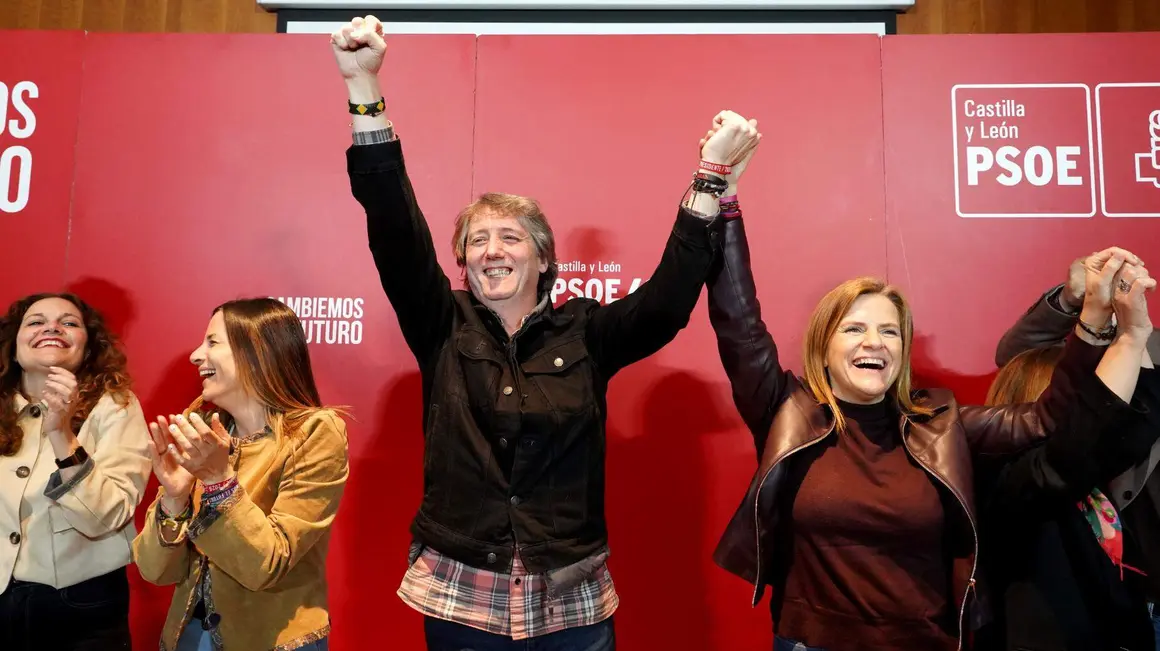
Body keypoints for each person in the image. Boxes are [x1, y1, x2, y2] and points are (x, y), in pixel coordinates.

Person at [331, 14, 758, 650]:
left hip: (571, 601)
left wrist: (709, 179)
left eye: (510, 237)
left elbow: (668, 302)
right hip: (461, 592)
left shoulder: (586, 330)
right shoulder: (440, 320)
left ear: (544, 259)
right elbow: (393, 223)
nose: (491, 250)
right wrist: (363, 88)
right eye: (477, 240)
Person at [701, 149, 1152, 649]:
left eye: (890, 332)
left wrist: (1092, 321)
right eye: (855, 328)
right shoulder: (785, 409)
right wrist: (724, 197)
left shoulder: (941, 422)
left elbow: (1050, 418)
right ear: (823, 351)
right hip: (810, 642)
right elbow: (739, 324)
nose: (875, 342)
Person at [132, 298, 349, 651]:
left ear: (258, 351)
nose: (195, 356)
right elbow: (155, 571)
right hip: (187, 638)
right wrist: (173, 499)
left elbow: (265, 565)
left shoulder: (314, 432)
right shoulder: (202, 430)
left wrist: (220, 484)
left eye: (213, 342)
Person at [992, 255, 1160, 649]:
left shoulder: (1090, 486)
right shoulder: (1014, 480)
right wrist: (1082, 308)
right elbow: (1017, 359)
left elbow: (1142, 423)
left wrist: (1133, 336)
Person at [0, 292, 151, 650]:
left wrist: (61, 432)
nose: (52, 327)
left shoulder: (116, 407)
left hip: (81, 608)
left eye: (69, 322)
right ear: (13, 344)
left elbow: (105, 518)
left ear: (88, 345)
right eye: (36, 321)